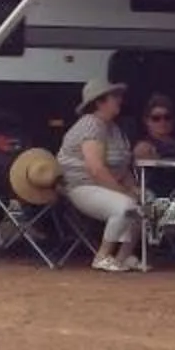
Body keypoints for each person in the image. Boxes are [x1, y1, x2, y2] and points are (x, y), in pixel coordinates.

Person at [56, 76, 147, 272]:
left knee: (145, 202)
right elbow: (96, 169)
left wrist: (134, 188)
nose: (120, 100)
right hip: (84, 187)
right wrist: (125, 193)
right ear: (99, 102)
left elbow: (122, 166)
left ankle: (123, 257)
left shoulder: (114, 128)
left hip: (106, 186)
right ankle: (102, 256)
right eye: (115, 96)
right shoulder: (91, 125)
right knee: (125, 206)